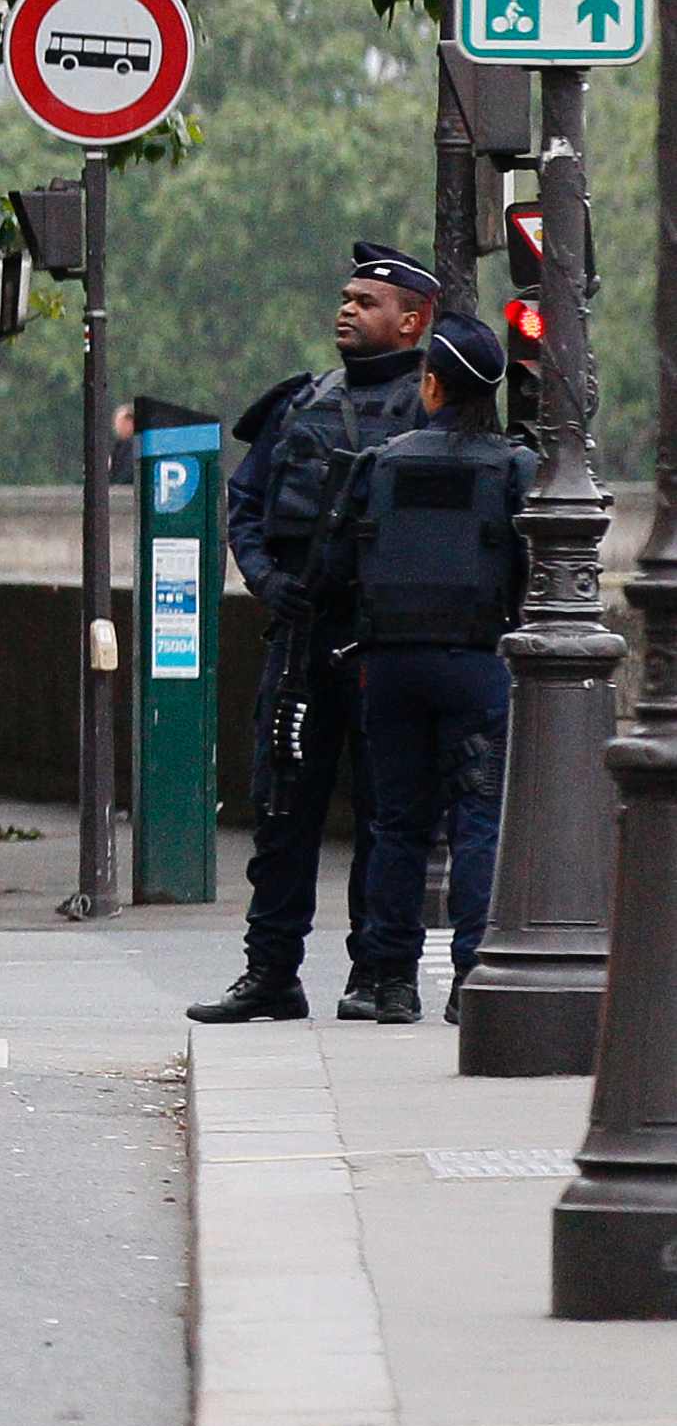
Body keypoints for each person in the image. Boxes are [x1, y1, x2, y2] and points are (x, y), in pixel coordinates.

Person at [193, 243, 443, 1026]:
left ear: (412, 321)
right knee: (283, 810)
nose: (347, 309)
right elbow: (245, 503)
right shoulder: (300, 404)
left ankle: (382, 973)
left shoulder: (433, 413)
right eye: (345, 297)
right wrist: (270, 583)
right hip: (304, 641)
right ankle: (271, 972)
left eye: (366, 302)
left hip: (389, 645)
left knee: (390, 813)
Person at [310, 313, 530, 1028]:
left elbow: (334, 567)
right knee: (476, 821)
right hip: (475, 663)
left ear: (430, 385)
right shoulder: (514, 469)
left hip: (392, 666)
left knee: (397, 824)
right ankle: (472, 975)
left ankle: (391, 980)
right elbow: (534, 569)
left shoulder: (382, 463)